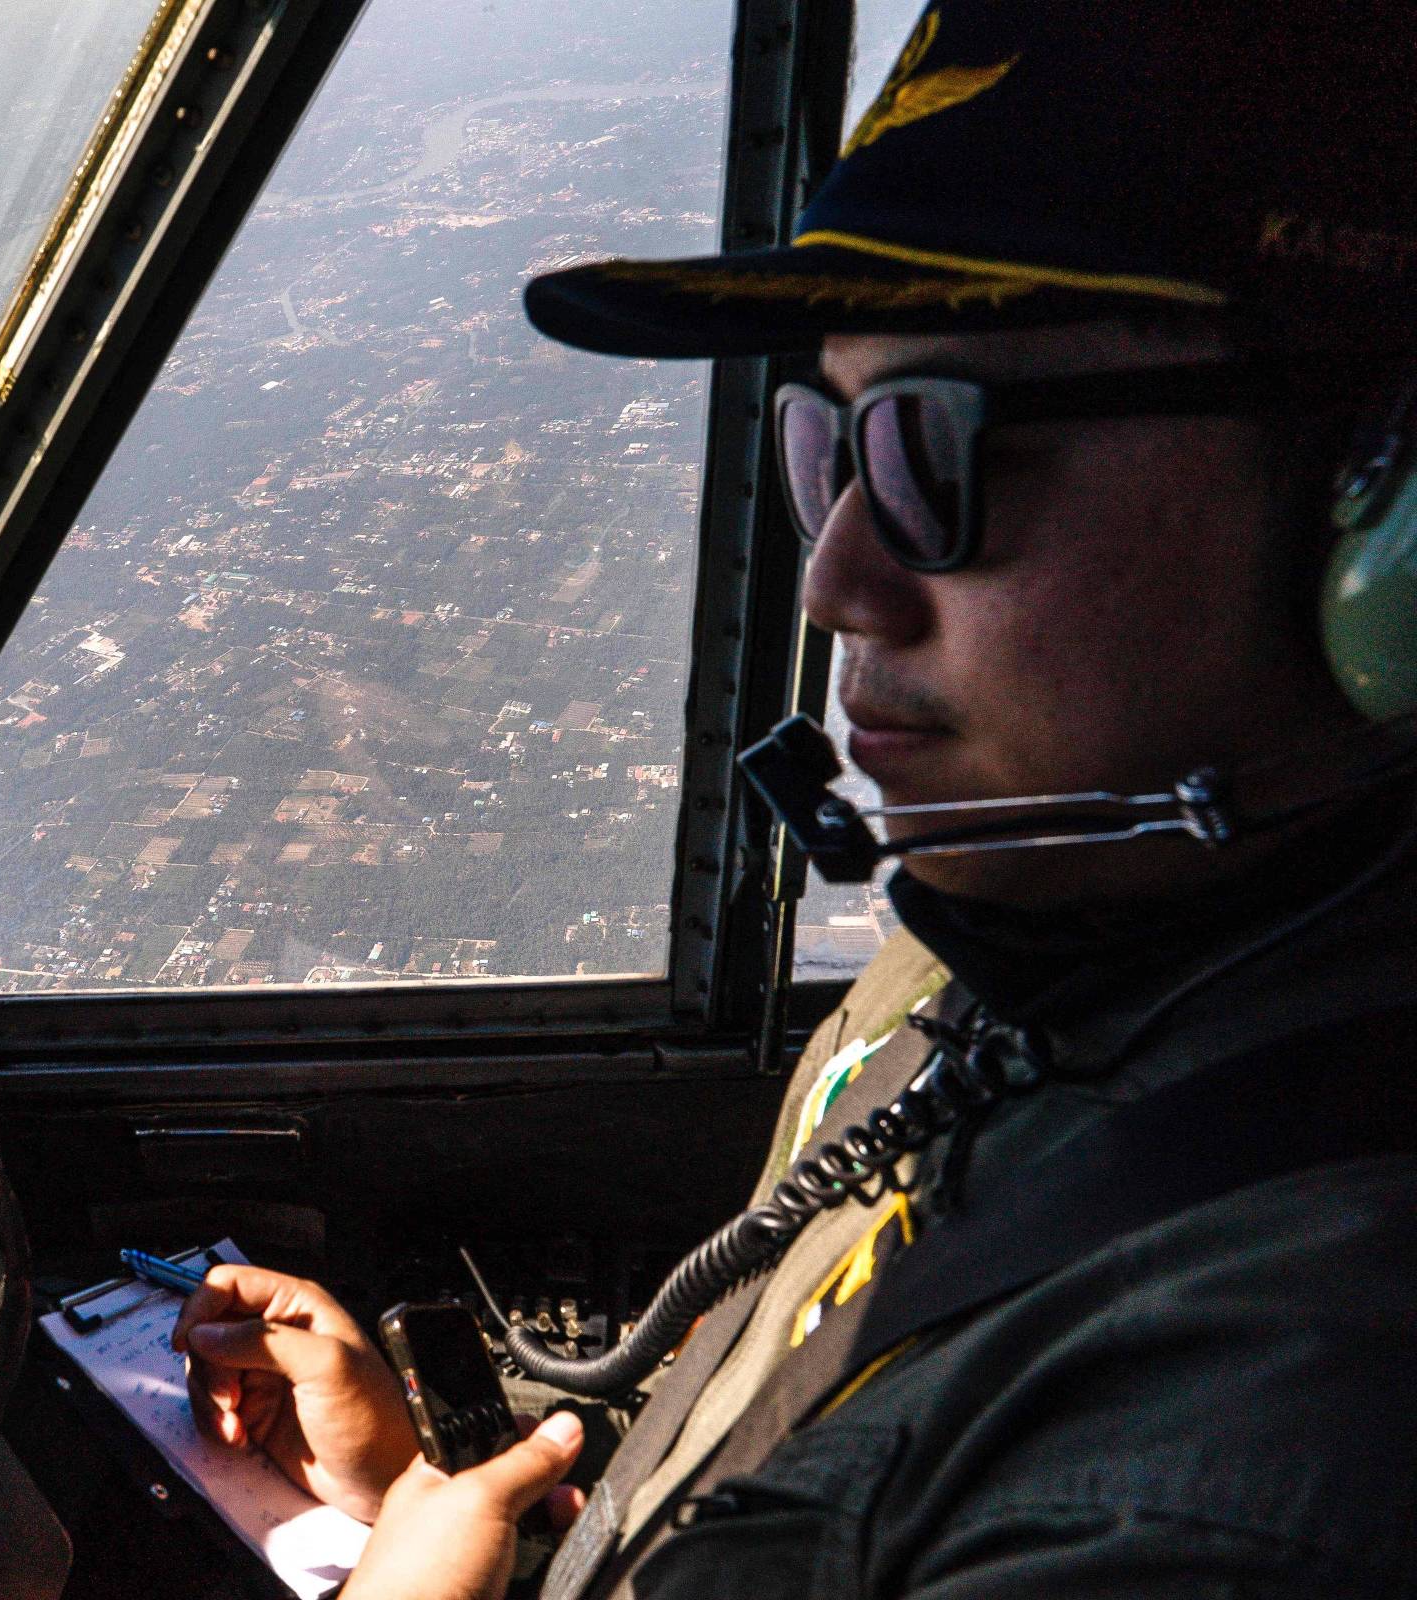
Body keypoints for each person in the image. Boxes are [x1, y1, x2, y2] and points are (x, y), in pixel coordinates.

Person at [172, 3, 1417, 1596]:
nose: (836, 581)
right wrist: (419, 1503)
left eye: (933, 453)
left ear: (1382, 513)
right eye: (822, 446)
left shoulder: (1251, 1456)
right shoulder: (1006, 953)